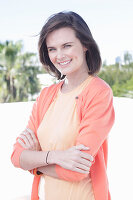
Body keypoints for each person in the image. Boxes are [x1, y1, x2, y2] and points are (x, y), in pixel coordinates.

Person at [11, 11, 115, 200]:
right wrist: (57, 157)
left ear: (85, 45)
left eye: (67, 46)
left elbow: (77, 171)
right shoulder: (46, 96)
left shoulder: (99, 93)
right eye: (52, 49)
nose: (59, 55)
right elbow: (17, 156)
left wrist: (34, 161)